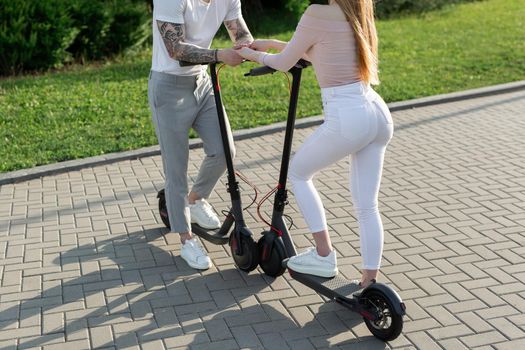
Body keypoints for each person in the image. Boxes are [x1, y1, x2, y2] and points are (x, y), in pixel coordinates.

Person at [236, 0, 393, 287]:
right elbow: (320, 47)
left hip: (348, 116)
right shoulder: (355, 9)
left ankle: (323, 254)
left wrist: (250, 54)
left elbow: (284, 62)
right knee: (367, 206)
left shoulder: (316, 12)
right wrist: (269, 43)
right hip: (376, 112)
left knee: (299, 172)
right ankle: (370, 281)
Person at [149, 0, 253, 270]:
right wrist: (220, 55)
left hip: (202, 84)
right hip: (168, 87)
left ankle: (194, 201)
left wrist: (257, 49)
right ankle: (186, 239)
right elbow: (175, 50)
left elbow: (240, 34)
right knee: (176, 170)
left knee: (224, 151)